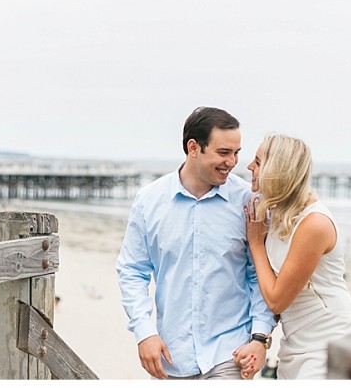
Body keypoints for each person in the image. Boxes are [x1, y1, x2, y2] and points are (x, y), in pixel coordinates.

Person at [115, 107, 277, 380]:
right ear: (193, 147)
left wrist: (260, 338)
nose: (233, 161)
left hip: (231, 354)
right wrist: (144, 333)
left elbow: (258, 274)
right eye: (224, 152)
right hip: (170, 356)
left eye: (237, 153)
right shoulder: (149, 201)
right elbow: (132, 270)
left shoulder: (248, 202)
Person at [240, 134, 351, 379]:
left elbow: (276, 300)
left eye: (258, 161)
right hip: (294, 343)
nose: (249, 166)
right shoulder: (274, 213)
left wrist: (256, 244)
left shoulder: (314, 223)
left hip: (332, 339)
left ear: (276, 169)